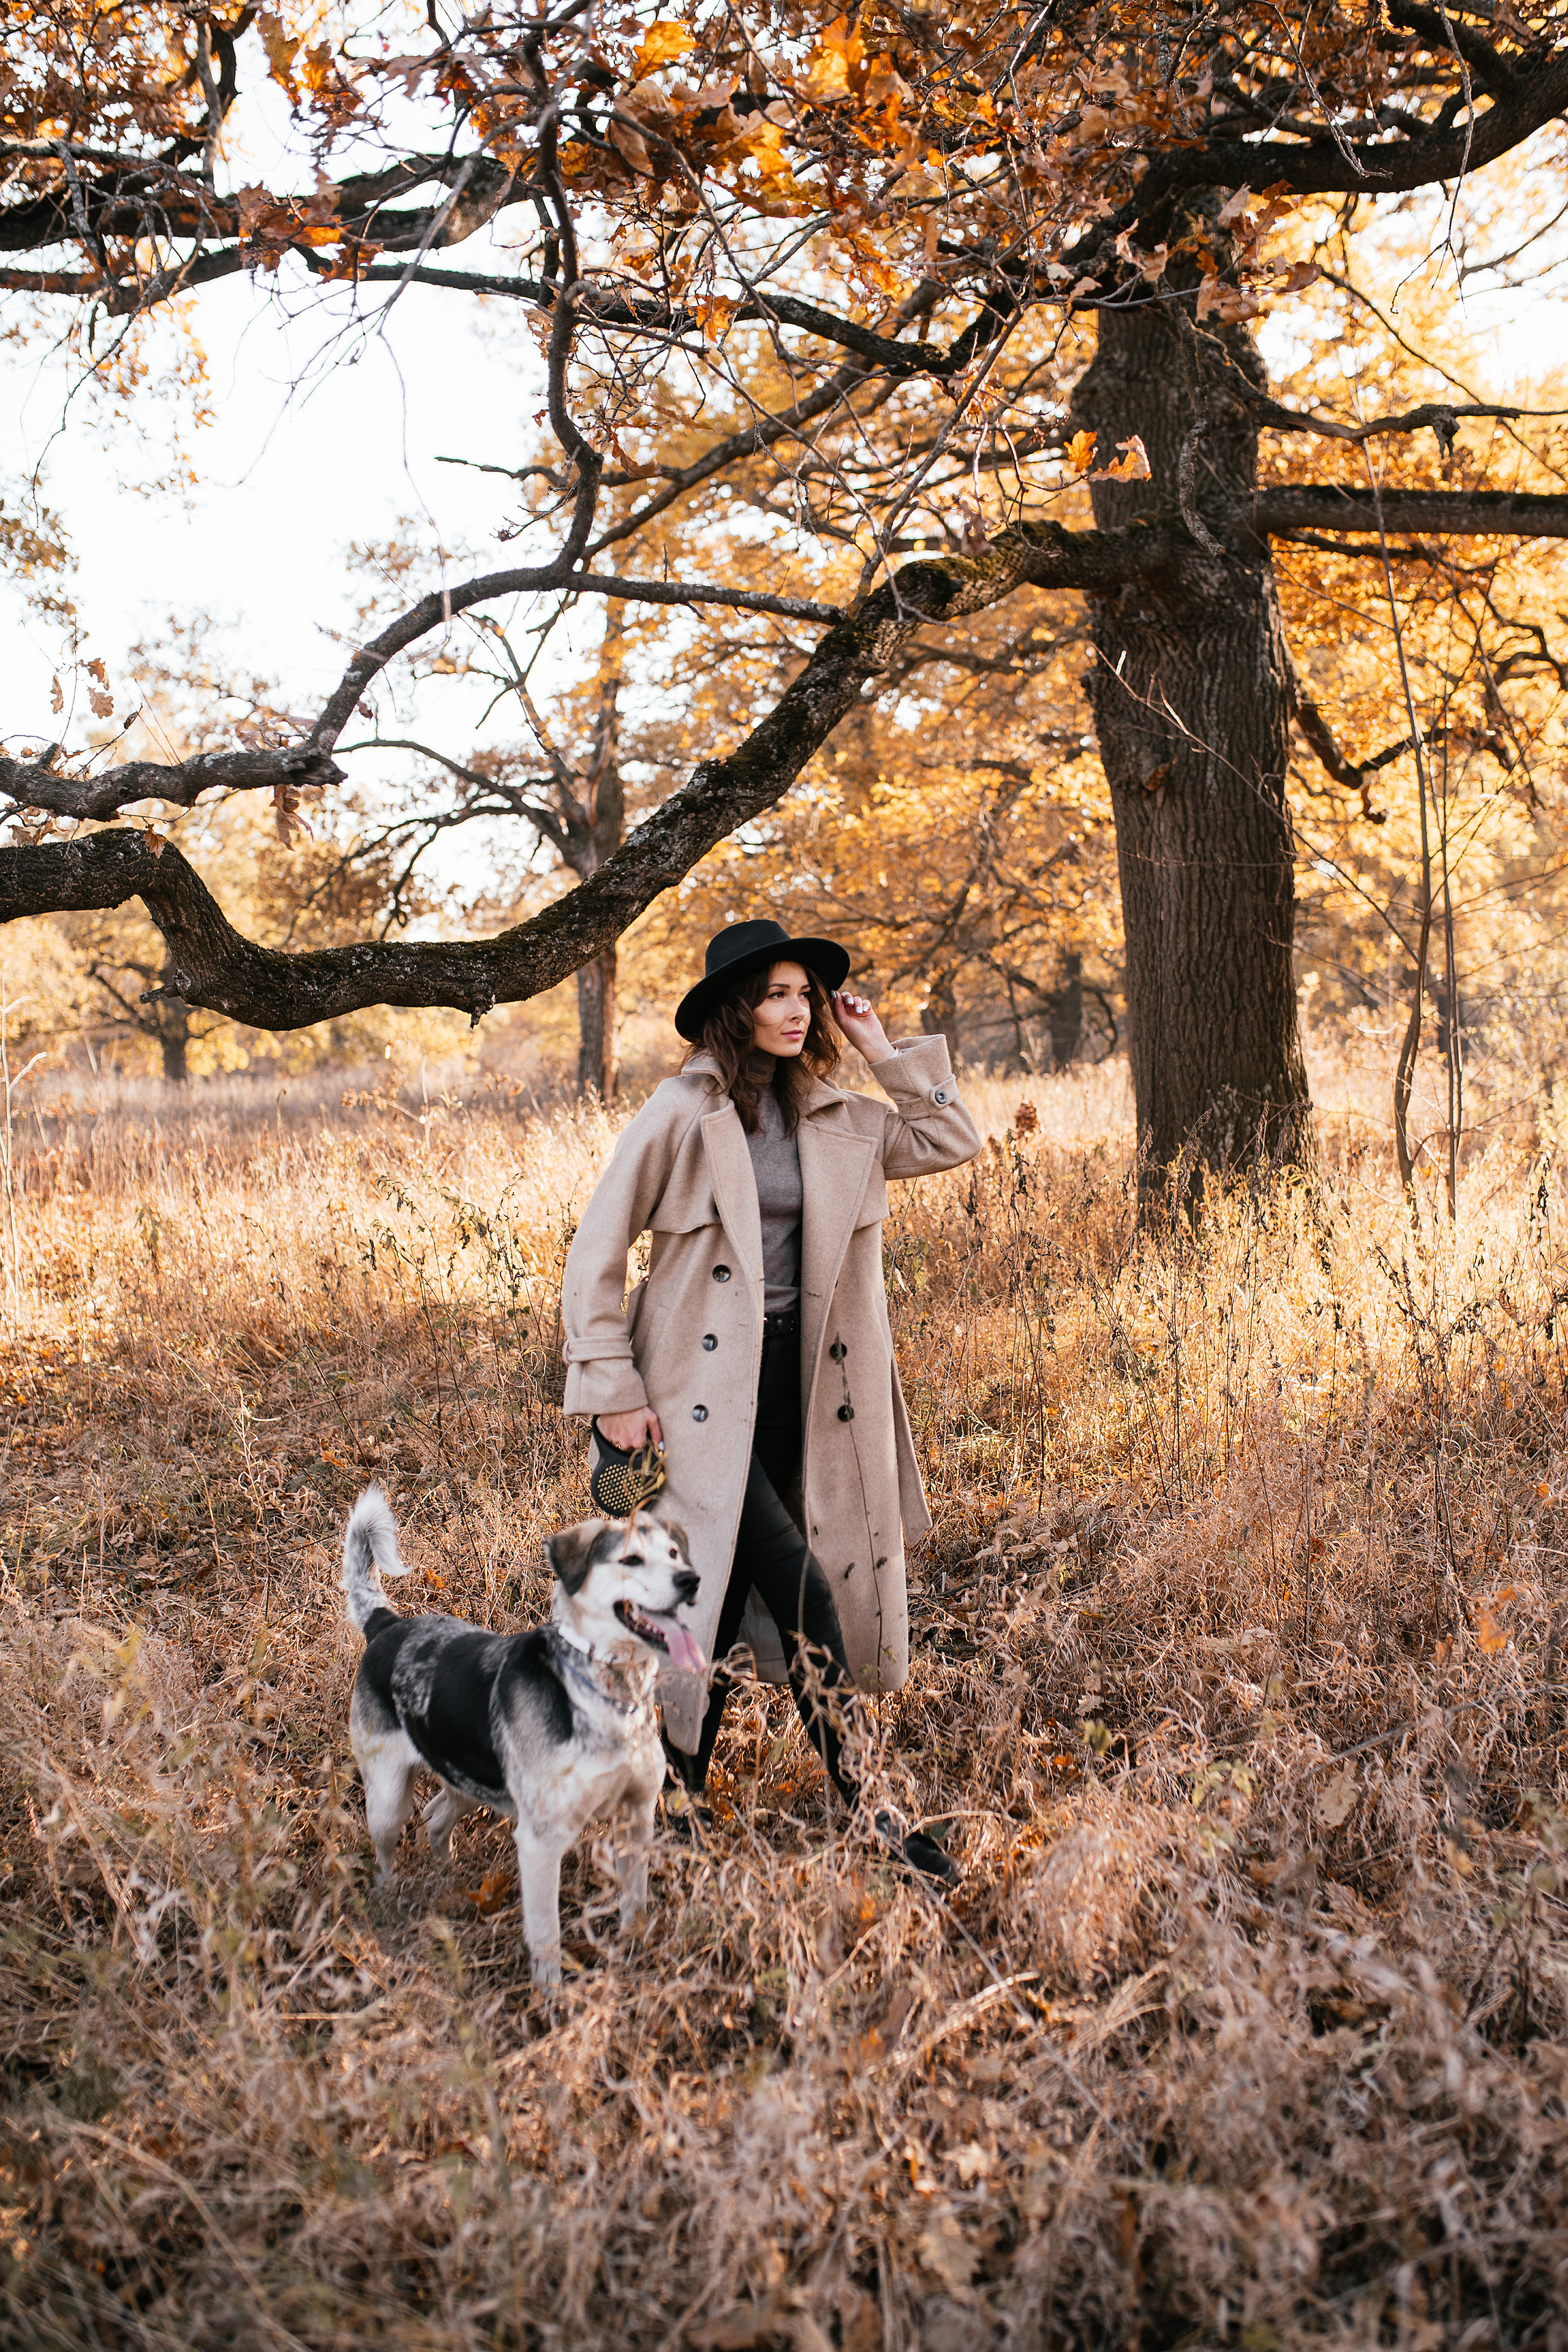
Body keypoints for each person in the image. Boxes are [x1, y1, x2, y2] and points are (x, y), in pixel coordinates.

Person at [559, 919, 981, 1877]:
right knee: (798, 1587)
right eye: (775, 994)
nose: (795, 1012)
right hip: (697, 1398)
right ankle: (873, 1809)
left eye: (805, 994)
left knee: (713, 1593)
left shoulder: (839, 1115)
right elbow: (598, 1251)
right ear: (733, 1010)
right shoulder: (681, 1113)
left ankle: (673, 1801)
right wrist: (611, 1389)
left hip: (812, 1389)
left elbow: (953, 1136)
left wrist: (881, 1048)